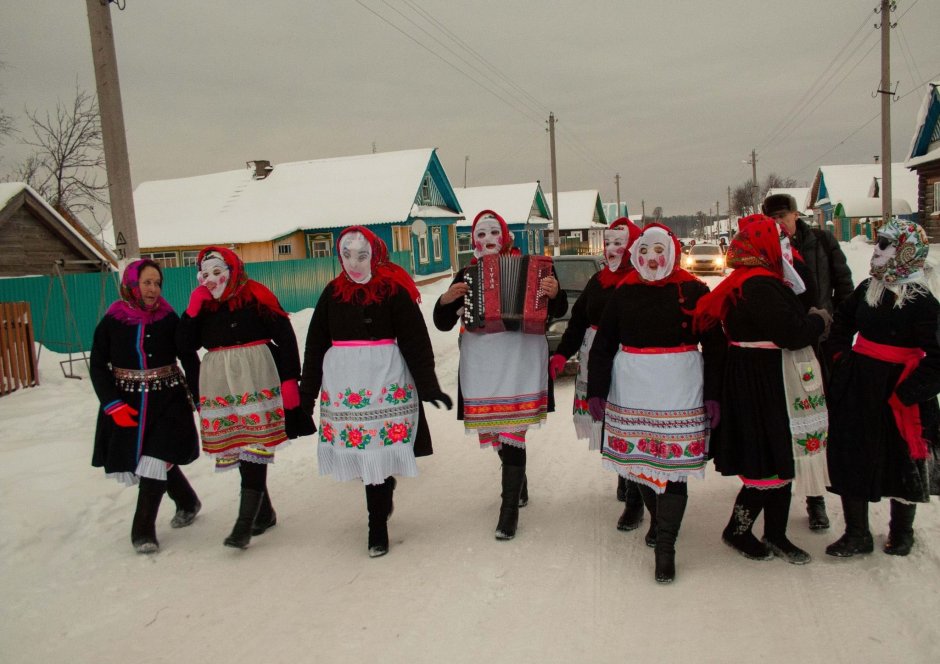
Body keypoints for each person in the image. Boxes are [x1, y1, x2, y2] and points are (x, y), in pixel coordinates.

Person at [299, 226, 451, 558]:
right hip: (346, 388)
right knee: (367, 455)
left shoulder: (393, 292)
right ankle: (379, 508)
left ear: (375, 254)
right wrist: (305, 396)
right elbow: (314, 346)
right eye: (347, 255)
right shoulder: (331, 294)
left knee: (377, 453)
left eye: (362, 255)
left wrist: (428, 384)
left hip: (385, 383)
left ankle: (376, 527)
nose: (354, 263)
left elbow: (414, 339)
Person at [586, 224, 725, 583]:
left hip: (680, 389)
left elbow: (715, 346)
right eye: (644, 252)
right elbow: (603, 346)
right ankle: (660, 520)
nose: (651, 259)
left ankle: (666, 546)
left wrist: (713, 393)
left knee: (675, 470)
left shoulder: (694, 289)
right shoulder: (623, 292)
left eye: (658, 251)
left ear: (674, 252)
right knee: (641, 464)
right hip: (633, 389)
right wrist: (596, 390)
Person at [694, 215, 831, 565]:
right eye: (780, 242)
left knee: (777, 459)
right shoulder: (760, 286)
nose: (786, 249)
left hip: (757, 378)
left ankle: (775, 533)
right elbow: (791, 333)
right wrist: (818, 320)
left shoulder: (750, 280)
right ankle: (738, 530)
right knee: (769, 461)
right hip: (764, 382)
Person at [433, 209, 566, 541]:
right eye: (481, 234)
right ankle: (517, 481)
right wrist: (446, 300)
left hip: (521, 358)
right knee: (497, 430)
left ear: (505, 236)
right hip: (483, 363)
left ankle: (508, 514)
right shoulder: (466, 273)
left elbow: (559, 310)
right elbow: (442, 322)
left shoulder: (534, 267)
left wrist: (555, 294)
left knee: (513, 431)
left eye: (494, 233)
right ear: (473, 239)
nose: (488, 240)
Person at [176, 246, 313, 550]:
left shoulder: (257, 296)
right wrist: (193, 309)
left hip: (257, 376)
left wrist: (291, 380)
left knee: (254, 443)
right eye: (205, 274)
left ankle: (245, 521)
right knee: (239, 444)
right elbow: (184, 346)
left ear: (232, 269)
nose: (212, 279)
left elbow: (286, 337)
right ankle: (263, 513)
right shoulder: (204, 305)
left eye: (217, 271)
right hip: (220, 382)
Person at [825, 219, 940, 558]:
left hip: (901, 396)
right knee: (853, 456)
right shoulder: (868, 288)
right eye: (878, 243)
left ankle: (902, 532)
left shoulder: (921, 301)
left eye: (886, 245)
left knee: (901, 459)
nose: (877, 251)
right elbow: (842, 321)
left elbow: (937, 357)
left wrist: (908, 393)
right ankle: (856, 533)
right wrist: (840, 357)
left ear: (906, 250)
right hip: (859, 387)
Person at [91, 259, 201, 554]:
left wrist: (201, 396)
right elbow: (98, 365)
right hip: (128, 403)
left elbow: (188, 356)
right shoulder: (112, 321)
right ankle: (188, 501)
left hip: (168, 401)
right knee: (150, 459)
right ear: (131, 285)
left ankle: (143, 530)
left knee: (154, 459)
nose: (153, 289)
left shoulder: (168, 319)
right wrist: (112, 404)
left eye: (157, 283)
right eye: (146, 282)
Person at [548, 217, 648, 532]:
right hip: (596, 357)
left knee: (628, 421)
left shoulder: (644, 281)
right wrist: (563, 352)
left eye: (620, 243)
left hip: (628, 360)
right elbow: (577, 320)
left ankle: (635, 498)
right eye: (608, 243)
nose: (612, 249)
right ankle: (624, 474)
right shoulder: (598, 280)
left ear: (633, 245)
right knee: (606, 418)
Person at [762, 193, 853, 531]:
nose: (779, 223)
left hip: (821, 343)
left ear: (796, 214)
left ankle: (817, 498)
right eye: (772, 218)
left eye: (783, 216)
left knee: (818, 420)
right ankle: (779, 488)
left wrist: (839, 334)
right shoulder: (766, 247)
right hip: (783, 346)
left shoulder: (822, 242)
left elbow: (844, 289)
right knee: (787, 419)